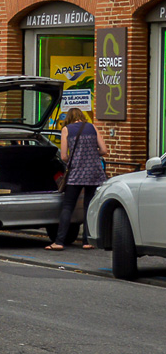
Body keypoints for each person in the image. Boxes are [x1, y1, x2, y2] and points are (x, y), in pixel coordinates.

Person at [46, 107, 108, 251]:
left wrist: (74, 159)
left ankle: (59, 242)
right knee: (89, 207)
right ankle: (87, 241)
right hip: (94, 173)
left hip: (76, 173)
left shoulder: (67, 129)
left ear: (69, 117)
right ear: (81, 116)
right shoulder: (92, 127)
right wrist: (92, 154)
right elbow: (104, 150)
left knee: (68, 206)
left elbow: (63, 156)